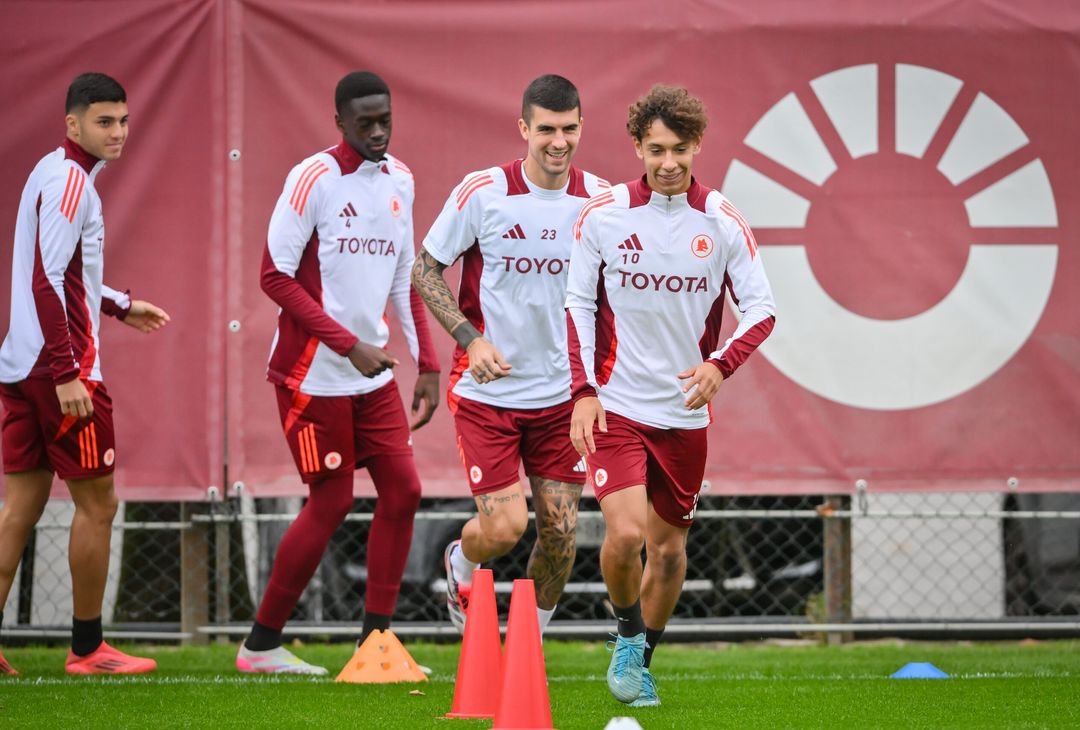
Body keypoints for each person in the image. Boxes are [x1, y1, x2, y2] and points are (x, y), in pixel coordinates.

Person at [566, 84, 776, 706]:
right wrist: (583, 390)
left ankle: (641, 656)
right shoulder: (602, 215)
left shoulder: (721, 220)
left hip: (683, 414)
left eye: (679, 149)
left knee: (669, 550)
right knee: (625, 536)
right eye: (655, 149)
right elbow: (577, 303)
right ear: (637, 146)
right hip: (616, 406)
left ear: (697, 146)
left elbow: (762, 310)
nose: (668, 162)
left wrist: (720, 365)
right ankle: (628, 638)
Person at [238, 71, 440, 675]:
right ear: (340, 123)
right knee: (332, 501)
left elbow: (406, 276)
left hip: (370, 375)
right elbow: (272, 276)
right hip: (312, 374)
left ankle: (375, 646)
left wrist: (428, 360)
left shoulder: (400, 179)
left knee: (404, 492)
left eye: (385, 121)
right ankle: (260, 644)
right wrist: (347, 344)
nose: (377, 133)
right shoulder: (313, 178)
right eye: (364, 124)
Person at [412, 75, 608, 635]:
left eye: (569, 128)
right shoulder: (483, 191)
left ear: (580, 127)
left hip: (562, 400)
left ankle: (528, 652)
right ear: (524, 128)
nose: (558, 141)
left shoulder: (600, 202)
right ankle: (462, 561)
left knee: (562, 536)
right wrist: (470, 339)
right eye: (546, 129)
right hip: (488, 395)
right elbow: (425, 270)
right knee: (504, 530)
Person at [0, 73, 170, 676]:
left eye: (122, 120)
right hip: (60, 372)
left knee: (20, 509)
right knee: (99, 506)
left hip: (21, 364)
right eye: (104, 121)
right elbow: (49, 280)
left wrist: (121, 304)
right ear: (73, 125)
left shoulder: (52, 171)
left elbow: (63, 272)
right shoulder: (72, 183)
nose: (117, 132)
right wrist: (69, 372)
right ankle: (88, 649)